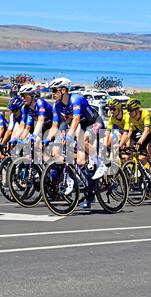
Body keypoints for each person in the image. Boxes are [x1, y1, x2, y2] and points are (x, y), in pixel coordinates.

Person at [49, 77, 105, 209]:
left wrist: (69, 135)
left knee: (83, 139)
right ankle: (88, 191)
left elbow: (75, 120)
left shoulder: (75, 99)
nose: (52, 93)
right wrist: (54, 139)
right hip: (82, 125)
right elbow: (59, 125)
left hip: (94, 122)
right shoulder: (57, 105)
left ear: (64, 90)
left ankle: (100, 163)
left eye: (54, 90)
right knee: (80, 162)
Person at [125, 98, 151, 183]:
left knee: (150, 149)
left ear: (137, 109)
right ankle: (146, 172)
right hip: (145, 134)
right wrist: (125, 145)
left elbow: (146, 130)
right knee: (137, 153)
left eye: (130, 110)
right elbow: (130, 133)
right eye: (128, 110)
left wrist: (139, 141)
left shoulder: (145, 113)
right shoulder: (130, 117)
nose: (129, 112)